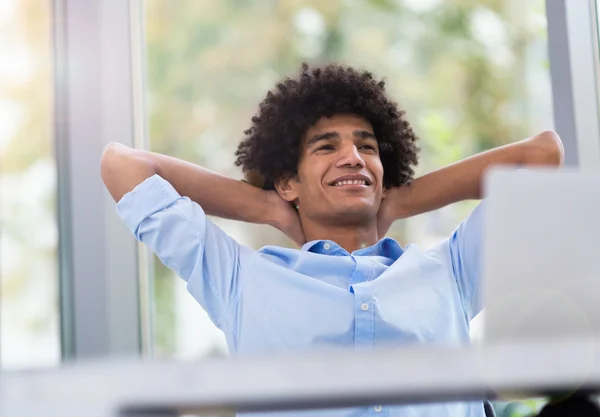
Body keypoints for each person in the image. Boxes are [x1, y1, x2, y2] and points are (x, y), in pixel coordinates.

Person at [101, 63, 564, 417]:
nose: (353, 158)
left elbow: (542, 155)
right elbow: (123, 164)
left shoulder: (451, 270)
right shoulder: (240, 278)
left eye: (367, 147)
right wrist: (268, 207)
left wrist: (400, 201)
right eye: (326, 147)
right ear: (288, 180)